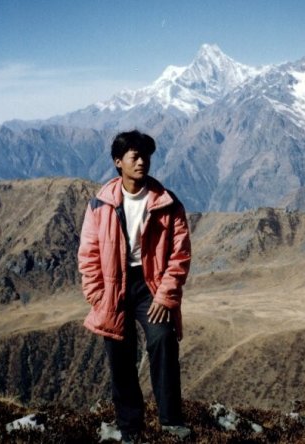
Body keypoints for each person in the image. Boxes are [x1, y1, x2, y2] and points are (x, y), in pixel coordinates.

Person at [77, 130, 191, 443]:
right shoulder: (100, 204)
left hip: (151, 284)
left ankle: (171, 421)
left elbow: (180, 254)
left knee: (163, 341)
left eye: (146, 156)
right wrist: (98, 296)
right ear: (119, 162)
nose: (142, 162)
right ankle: (130, 428)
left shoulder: (167, 203)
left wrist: (166, 295)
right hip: (115, 287)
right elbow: (88, 254)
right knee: (120, 355)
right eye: (135, 157)